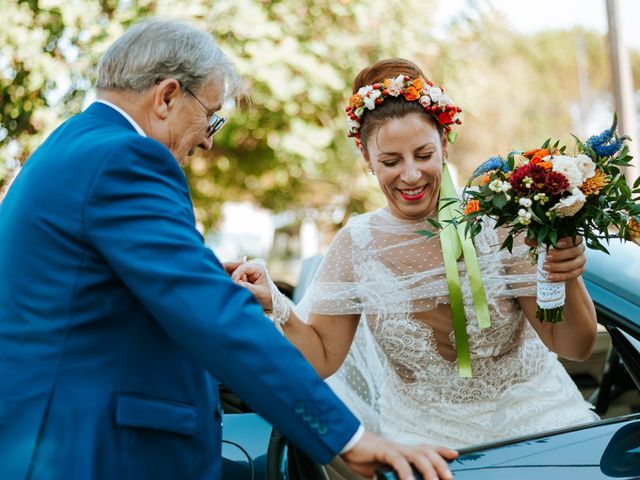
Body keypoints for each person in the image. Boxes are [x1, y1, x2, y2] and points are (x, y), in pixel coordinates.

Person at [0, 25, 457, 480]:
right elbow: (212, 316)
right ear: (167, 97)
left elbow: (99, 295)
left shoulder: (70, 145)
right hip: (86, 451)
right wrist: (347, 439)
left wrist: (204, 278)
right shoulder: (126, 159)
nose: (207, 141)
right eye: (211, 116)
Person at [228, 58, 600, 450]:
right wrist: (276, 304)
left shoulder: (499, 223)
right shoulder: (357, 245)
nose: (410, 175)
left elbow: (575, 346)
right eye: (391, 161)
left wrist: (566, 273)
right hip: (426, 453)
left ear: (443, 144)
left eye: (423, 155)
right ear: (368, 161)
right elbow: (320, 358)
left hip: (544, 437)